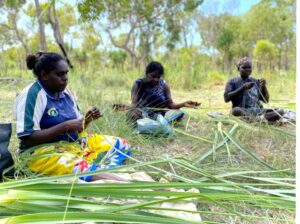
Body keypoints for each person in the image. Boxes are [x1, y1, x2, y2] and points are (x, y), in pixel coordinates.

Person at [14, 52, 130, 181]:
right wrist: (65, 126)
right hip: (42, 152)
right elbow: (28, 138)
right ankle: (105, 176)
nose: (65, 78)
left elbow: (78, 128)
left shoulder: (66, 92)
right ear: (44, 75)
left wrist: (87, 120)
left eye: (66, 73)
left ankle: (96, 171)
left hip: (72, 145)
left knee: (121, 144)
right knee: (79, 167)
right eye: (60, 74)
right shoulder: (32, 94)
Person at [114, 61, 200, 122]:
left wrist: (184, 104)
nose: (156, 80)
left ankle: (158, 121)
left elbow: (170, 105)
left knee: (179, 113)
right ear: (146, 73)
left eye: (158, 77)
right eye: (153, 76)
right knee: (133, 115)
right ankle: (151, 122)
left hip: (161, 113)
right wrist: (125, 106)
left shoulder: (163, 84)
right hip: (144, 113)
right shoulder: (138, 84)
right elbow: (134, 104)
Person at [224, 57, 283, 122]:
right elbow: (226, 98)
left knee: (280, 111)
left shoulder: (255, 81)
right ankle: (260, 120)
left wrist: (263, 87)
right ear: (238, 68)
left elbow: (266, 100)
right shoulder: (232, 81)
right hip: (244, 111)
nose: (247, 69)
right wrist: (242, 88)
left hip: (258, 111)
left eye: (249, 67)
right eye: (244, 67)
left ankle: (258, 119)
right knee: (235, 111)